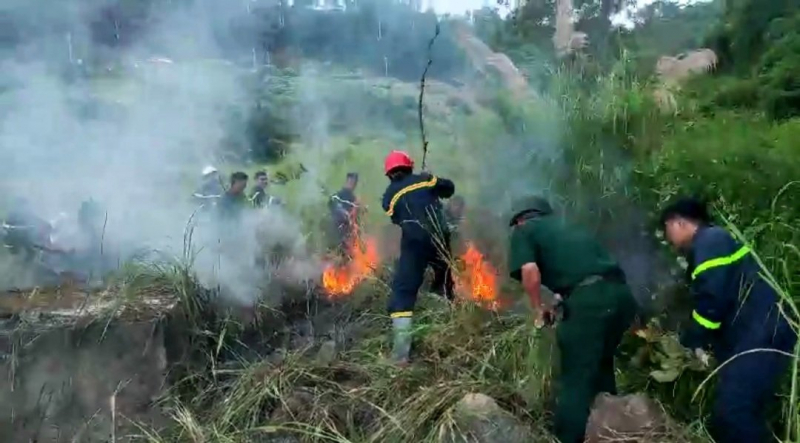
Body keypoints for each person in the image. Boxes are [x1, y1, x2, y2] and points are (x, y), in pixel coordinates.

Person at [659, 197, 797, 443]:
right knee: (736, 413)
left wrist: (694, 338)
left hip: (762, 334)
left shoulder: (710, 240)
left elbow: (712, 298)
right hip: (756, 334)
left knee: (734, 412)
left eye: (666, 230)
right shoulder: (712, 243)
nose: (669, 241)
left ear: (677, 222)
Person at [506, 195, 637, 443]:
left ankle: (568, 438)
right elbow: (583, 273)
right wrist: (562, 302)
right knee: (600, 367)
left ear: (520, 219)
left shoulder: (525, 230)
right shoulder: (570, 228)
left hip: (591, 303)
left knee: (575, 379)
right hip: (621, 298)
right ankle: (612, 432)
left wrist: (537, 309)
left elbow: (530, 272)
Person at [381, 150, 456, 365]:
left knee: (403, 292)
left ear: (389, 174)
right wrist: (431, 179)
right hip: (441, 238)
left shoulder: (389, 195)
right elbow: (449, 189)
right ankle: (452, 331)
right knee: (444, 282)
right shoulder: (425, 179)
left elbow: (395, 217)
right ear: (409, 167)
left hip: (414, 242)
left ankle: (400, 356)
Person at [328, 172, 360, 256]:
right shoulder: (338, 195)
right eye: (350, 181)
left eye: (353, 182)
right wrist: (344, 212)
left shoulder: (354, 199)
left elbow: (356, 218)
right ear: (347, 181)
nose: (351, 184)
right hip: (336, 232)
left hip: (348, 234)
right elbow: (333, 205)